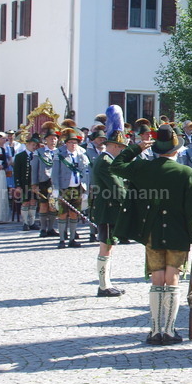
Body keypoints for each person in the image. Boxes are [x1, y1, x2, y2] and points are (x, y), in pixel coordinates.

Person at [110, 124, 192, 346]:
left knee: (157, 278)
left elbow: (117, 165)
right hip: (178, 232)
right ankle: (169, 330)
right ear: (176, 150)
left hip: (151, 230)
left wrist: (137, 148)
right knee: (173, 278)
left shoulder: (143, 168)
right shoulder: (187, 173)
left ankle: (154, 330)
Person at [88, 123, 129, 298]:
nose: (122, 151)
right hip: (107, 208)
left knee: (109, 246)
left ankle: (107, 283)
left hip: (109, 208)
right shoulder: (105, 162)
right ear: (113, 146)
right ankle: (104, 286)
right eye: (120, 147)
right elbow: (116, 188)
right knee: (106, 246)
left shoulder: (108, 160)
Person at [51, 128, 90, 249]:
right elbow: (55, 173)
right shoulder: (59, 154)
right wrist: (55, 189)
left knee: (75, 214)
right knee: (62, 214)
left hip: (77, 188)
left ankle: (72, 239)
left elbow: (86, 173)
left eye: (75, 142)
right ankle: (62, 239)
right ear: (66, 143)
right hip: (64, 188)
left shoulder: (82, 155)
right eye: (71, 142)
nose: (73, 145)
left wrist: (86, 191)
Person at [31, 123, 60, 237]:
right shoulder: (39, 153)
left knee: (53, 206)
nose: (53, 141)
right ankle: (43, 229)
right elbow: (34, 169)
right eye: (51, 138)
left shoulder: (60, 152)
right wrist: (34, 184)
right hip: (44, 181)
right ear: (46, 140)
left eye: (55, 138)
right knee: (43, 205)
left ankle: (51, 228)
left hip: (56, 182)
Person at [13, 135, 40, 231]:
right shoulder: (20, 156)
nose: (34, 147)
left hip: (34, 184)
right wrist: (18, 185)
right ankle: (25, 222)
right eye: (33, 145)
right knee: (25, 202)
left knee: (33, 202)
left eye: (35, 145)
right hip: (24, 183)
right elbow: (16, 172)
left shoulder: (37, 155)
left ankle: (32, 222)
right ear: (27, 144)